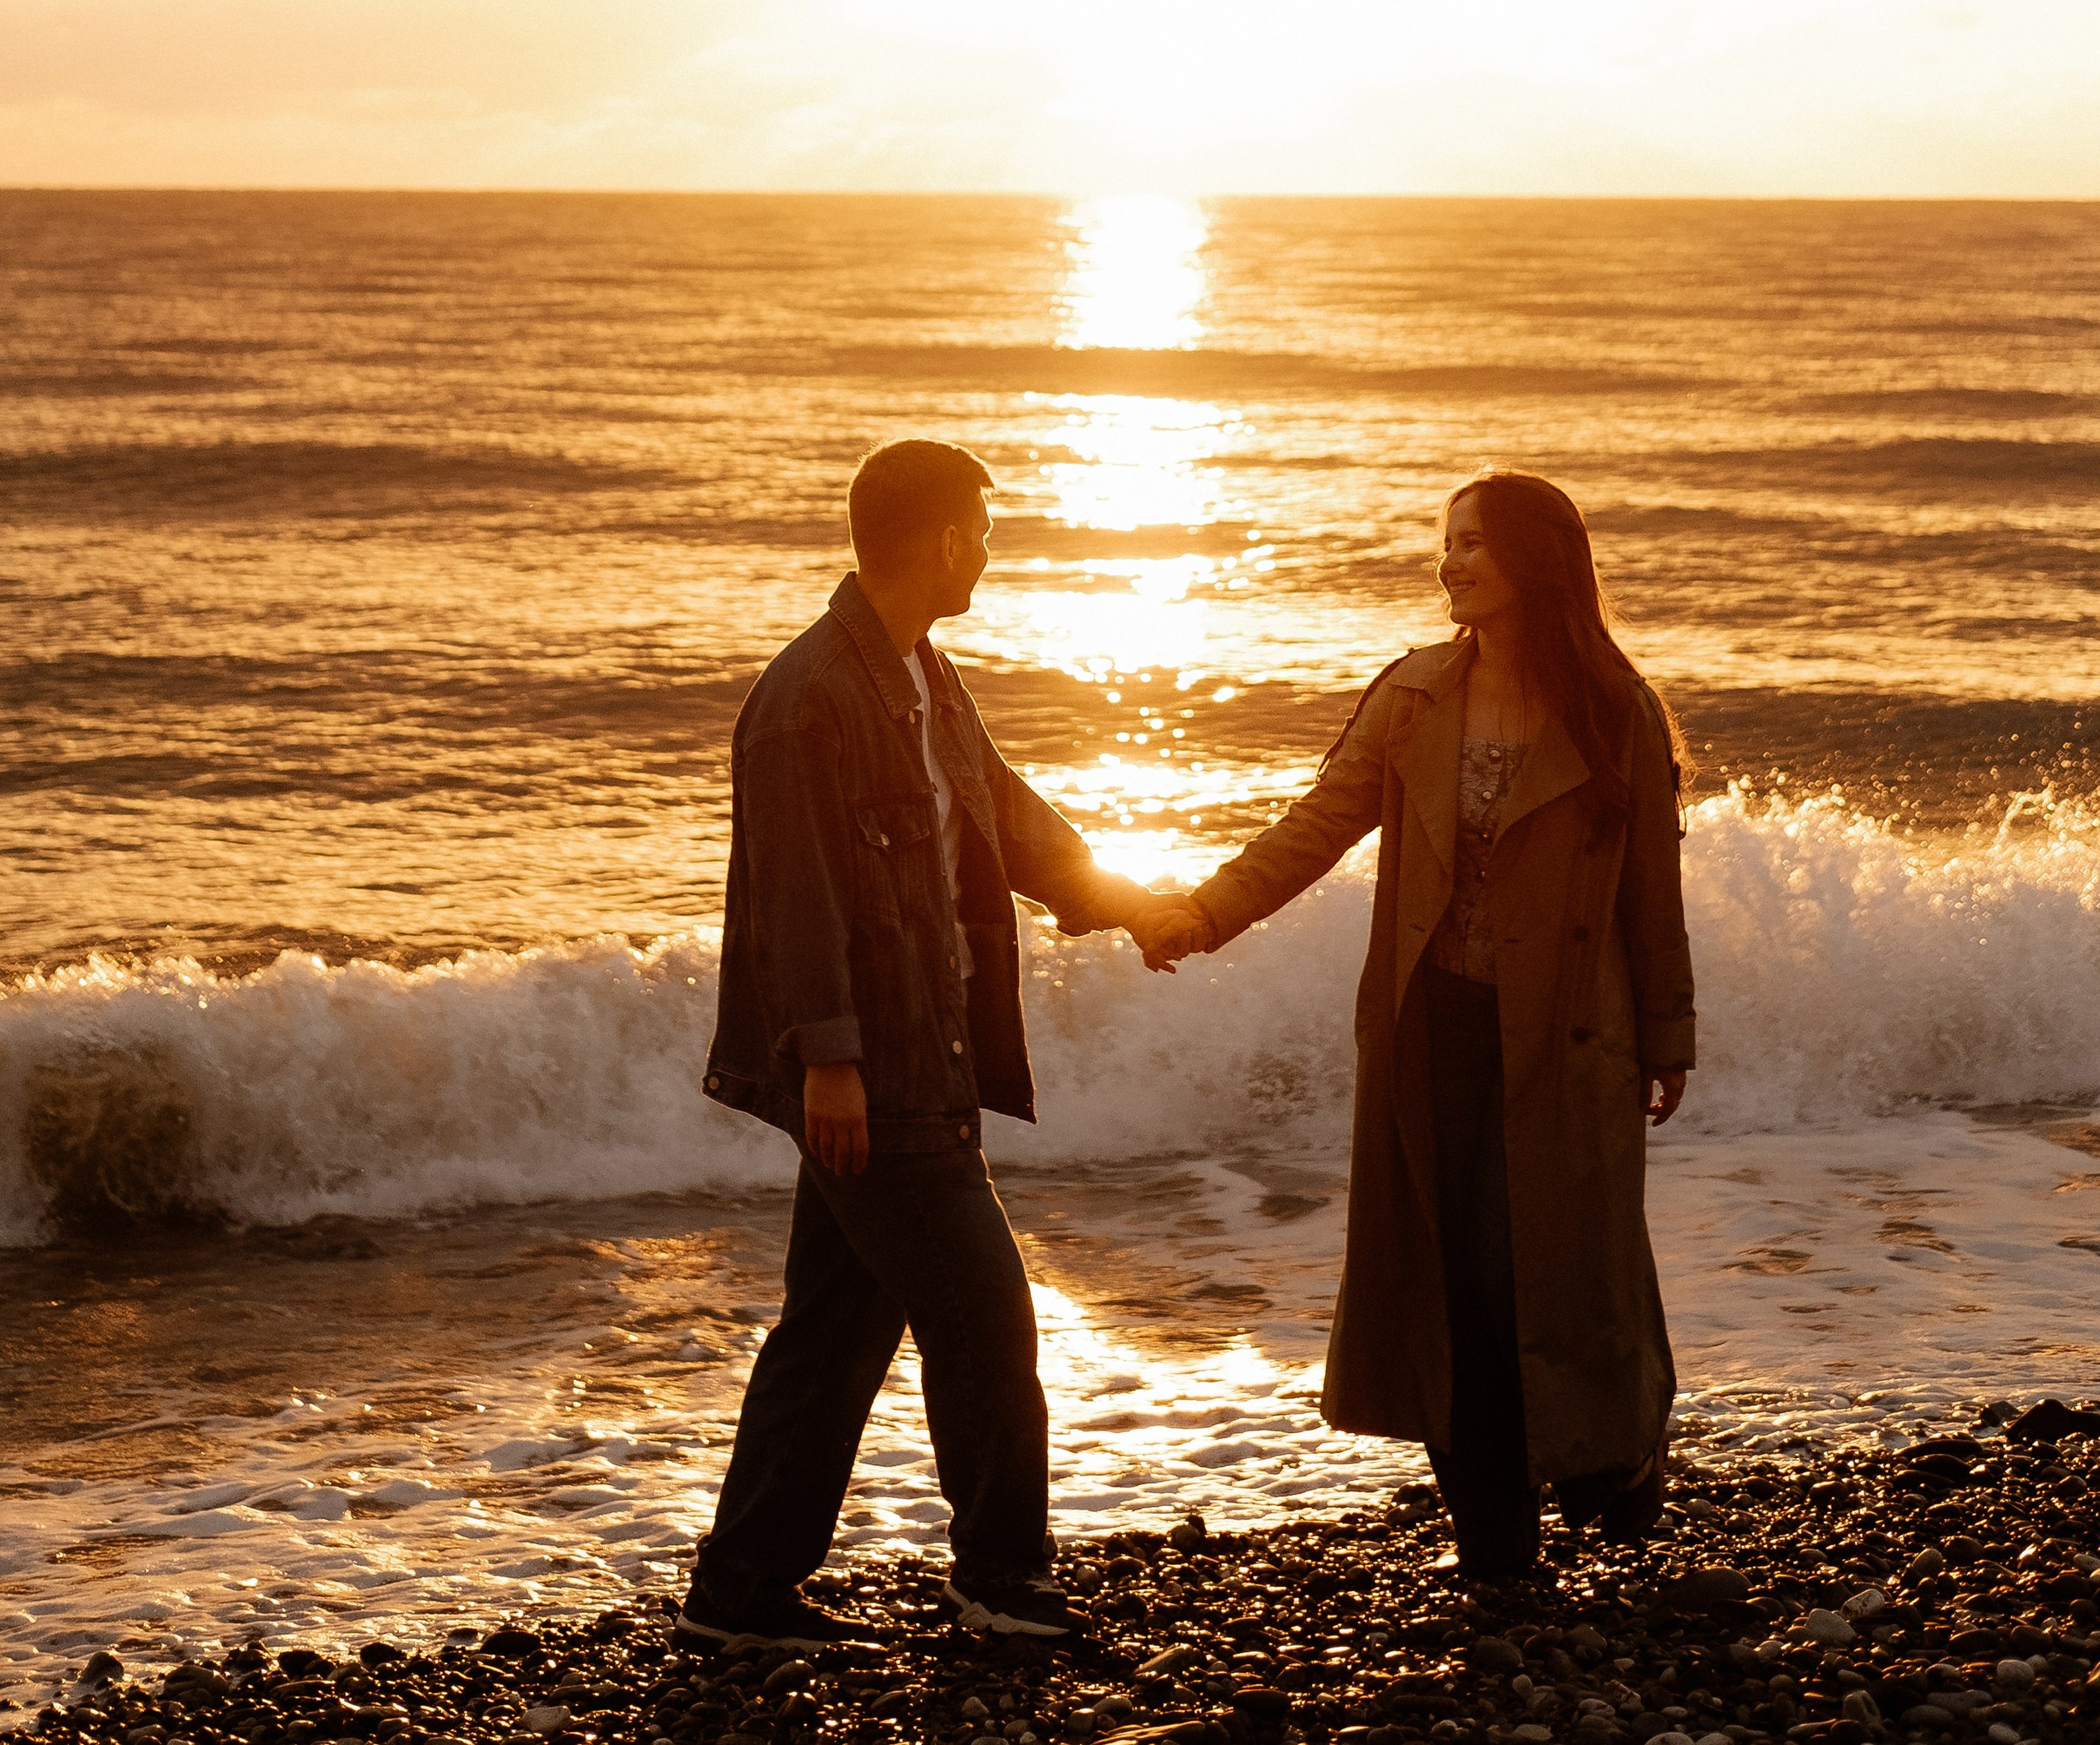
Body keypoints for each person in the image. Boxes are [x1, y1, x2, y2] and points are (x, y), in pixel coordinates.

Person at [680, 436, 1183, 1653]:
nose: (992, 550)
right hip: (878, 1076)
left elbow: (1003, 817)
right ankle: (1002, 1582)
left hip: (928, 1057)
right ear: (947, 539)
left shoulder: (920, 677)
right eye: (985, 530)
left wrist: (1133, 902)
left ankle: (741, 1592)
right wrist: (835, 1064)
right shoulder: (808, 700)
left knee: (836, 1332)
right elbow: (794, 899)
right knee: (988, 1320)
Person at [1145, 469, 1695, 1582]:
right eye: (1445, 543)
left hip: (1568, 1038)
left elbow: (1650, 893)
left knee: (1544, 1271)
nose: (1449, 562)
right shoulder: (1414, 695)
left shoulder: (1613, 708)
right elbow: (1317, 824)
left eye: (1473, 543)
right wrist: (1202, 914)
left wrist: (1669, 1031)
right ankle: (1494, 1537)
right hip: (1431, 1026)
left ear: (1535, 559)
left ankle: (1615, 1455)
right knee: (1446, 1280)